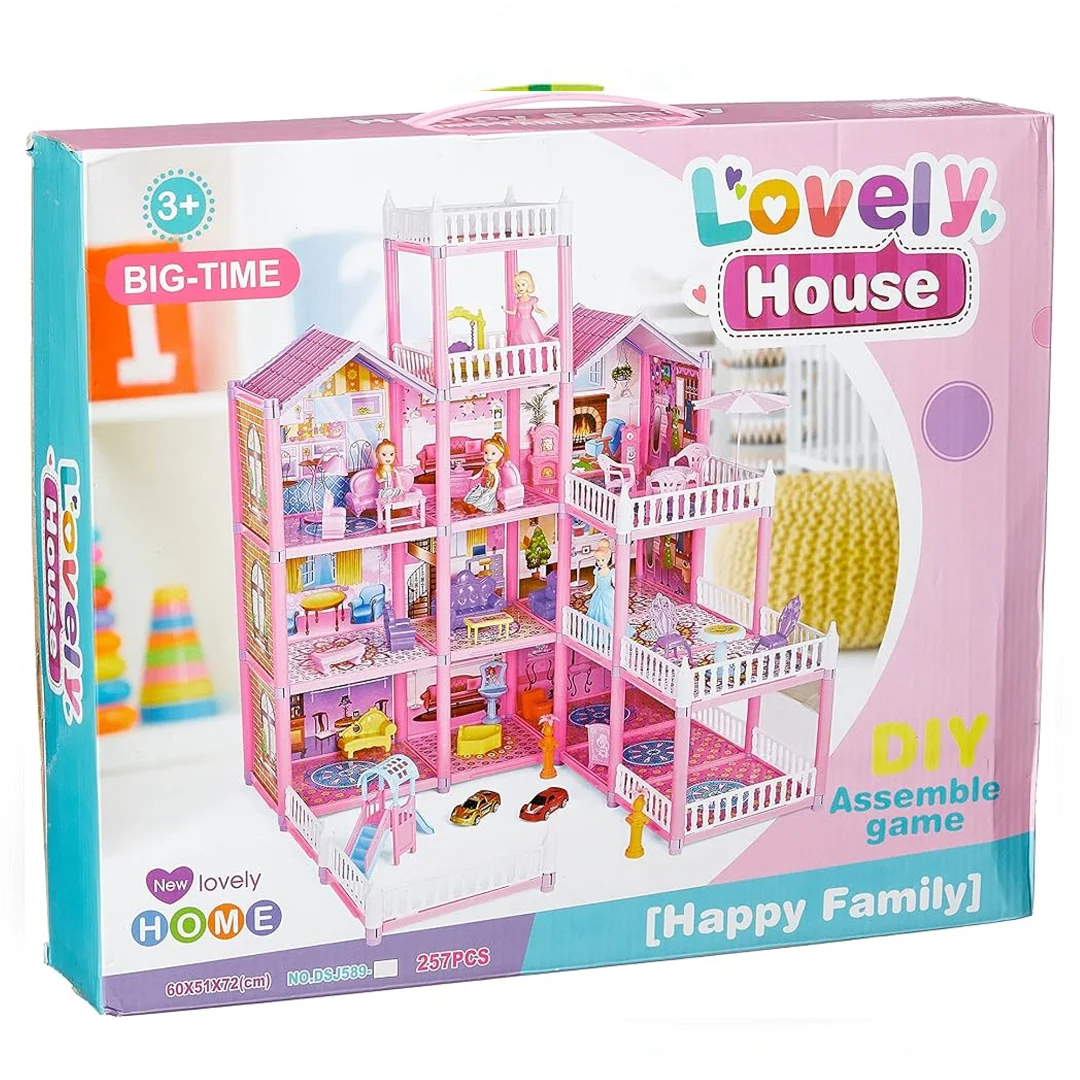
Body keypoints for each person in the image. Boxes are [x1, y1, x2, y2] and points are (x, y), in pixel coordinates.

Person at [461, 434, 510, 514]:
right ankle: (470, 505)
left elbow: (496, 479)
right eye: (486, 453)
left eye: (493, 454)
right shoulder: (486, 465)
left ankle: (475, 507)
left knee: (485, 498)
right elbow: (481, 472)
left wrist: (493, 488)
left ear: (501, 454)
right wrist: (474, 477)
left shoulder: (494, 469)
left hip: (490, 487)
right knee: (476, 494)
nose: (488, 456)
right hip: (483, 486)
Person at [504, 270, 546, 345]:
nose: (520, 287)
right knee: (520, 339)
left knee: (533, 338)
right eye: (518, 285)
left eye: (523, 284)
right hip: (520, 323)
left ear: (528, 285)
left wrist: (541, 311)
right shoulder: (517, 301)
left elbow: (536, 309)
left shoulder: (532, 299)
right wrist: (505, 310)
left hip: (530, 322)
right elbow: (514, 312)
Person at [585, 537, 615, 628]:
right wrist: (589, 592)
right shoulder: (597, 572)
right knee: (596, 610)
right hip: (598, 593)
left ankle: (610, 627)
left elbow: (614, 584)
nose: (600, 563)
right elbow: (595, 585)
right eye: (598, 560)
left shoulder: (611, 571)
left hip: (608, 593)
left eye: (602, 560)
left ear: (608, 558)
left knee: (609, 611)